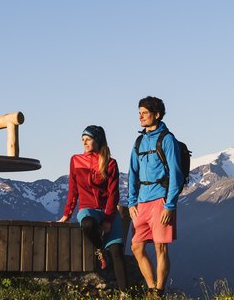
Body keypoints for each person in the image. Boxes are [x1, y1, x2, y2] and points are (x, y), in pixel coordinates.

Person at [59, 125, 128, 291]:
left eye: (88, 139)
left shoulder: (110, 163)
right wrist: (66, 214)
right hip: (87, 208)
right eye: (83, 140)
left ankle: (125, 293)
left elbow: (113, 194)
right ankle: (100, 250)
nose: (84, 142)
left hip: (107, 210)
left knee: (117, 251)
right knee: (88, 224)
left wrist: (109, 219)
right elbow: (73, 190)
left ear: (97, 140)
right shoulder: (75, 160)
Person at [128, 96, 183, 297]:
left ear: (156, 115)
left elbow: (176, 174)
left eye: (145, 113)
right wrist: (131, 202)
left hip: (161, 200)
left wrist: (170, 206)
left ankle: (158, 292)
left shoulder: (168, 140)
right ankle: (151, 288)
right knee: (136, 247)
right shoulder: (139, 141)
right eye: (139, 113)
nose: (140, 116)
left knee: (161, 248)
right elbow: (132, 172)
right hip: (141, 202)